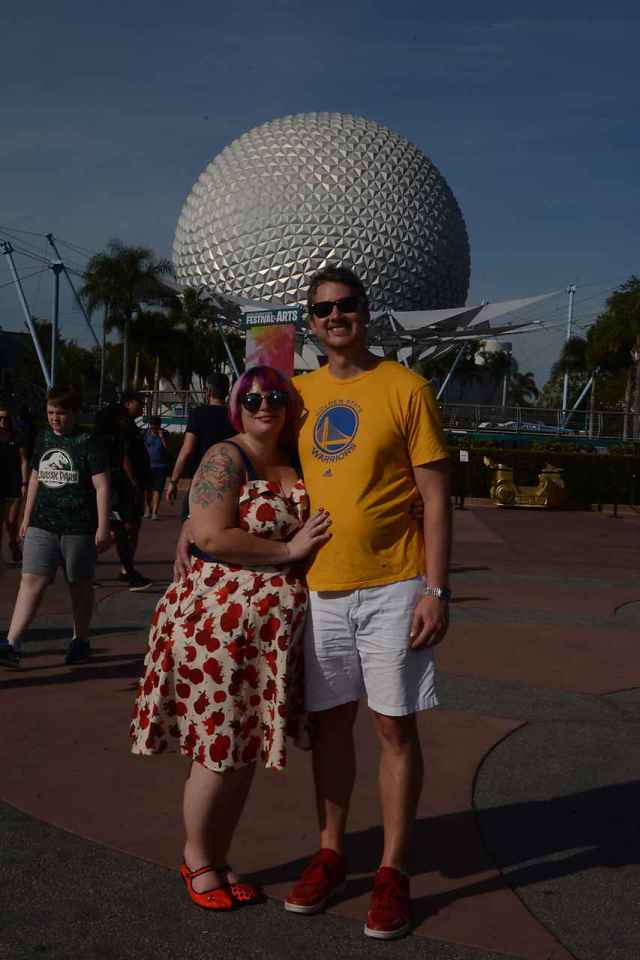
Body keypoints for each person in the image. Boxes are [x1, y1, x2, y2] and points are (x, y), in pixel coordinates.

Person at [280, 265, 452, 940]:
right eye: (323, 309)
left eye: (346, 305)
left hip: (395, 584)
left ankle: (392, 870)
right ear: (310, 322)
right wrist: (195, 529)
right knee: (330, 727)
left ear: (366, 311)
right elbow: (253, 464)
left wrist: (436, 589)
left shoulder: (406, 388)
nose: (336, 317)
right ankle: (330, 853)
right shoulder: (297, 395)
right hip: (320, 587)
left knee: (392, 727)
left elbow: (435, 498)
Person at [130, 365, 331, 911]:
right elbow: (212, 534)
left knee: (242, 753)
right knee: (216, 750)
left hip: (268, 636)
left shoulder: (295, 459)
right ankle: (197, 859)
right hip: (218, 627)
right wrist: (288, 552)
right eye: (254, 398)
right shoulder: (226, 456)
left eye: (276, 397)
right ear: (237, 406)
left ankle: (217, 857)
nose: (265, 406)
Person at [0, 386, 111, 669]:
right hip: (42, 523)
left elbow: (101, 486)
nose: (54, 418)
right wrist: (26, 516)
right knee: (31, 580)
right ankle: (12, 643)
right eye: (50, 412)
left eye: (60, 413)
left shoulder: (88, 441)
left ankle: (80, 640)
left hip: (78, 527)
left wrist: (103, 526)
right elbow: (36, 476)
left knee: (79, 585)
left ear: (75, 413)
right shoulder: (44, 437)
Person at [94, 405, 152, 592]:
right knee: (117, 531)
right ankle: (127, 573)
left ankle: (129, 573)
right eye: (121, 418)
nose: (125, 421)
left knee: (119, 532)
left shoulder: (103, 438)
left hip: (110, 488)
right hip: (112, 489)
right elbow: (124, 461)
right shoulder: (113, 439)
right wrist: (134, 484)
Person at [165, 372, 234, 505]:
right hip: (229, 480)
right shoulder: (234, 416)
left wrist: (173, 481)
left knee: (189, 515)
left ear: (208, 391)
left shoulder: (198, 413)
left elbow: (187, 451)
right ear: (227, 391)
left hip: (203, 481)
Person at [119, 391, 152, 584]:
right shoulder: (123, 426)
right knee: (125, 528)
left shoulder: (130, 425)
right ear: (128, 403)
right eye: (140, 402)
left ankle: (127, 568)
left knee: (130, 528)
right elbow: (125, 456)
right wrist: (133, 482)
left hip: (132, 484)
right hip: (127, 486)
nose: (142, 406)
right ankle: (84, 565)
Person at [0, 404, 29, 565]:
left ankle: (13, 543)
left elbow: (24, 461)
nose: (2, 421)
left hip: (14, 484)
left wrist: (24, 483)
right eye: (0, 418)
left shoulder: (17, 437)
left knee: (10, 523)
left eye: (5, 418)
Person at [143, 416, 171, 519]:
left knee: (157, 490)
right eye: (152, 425)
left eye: (155, 426)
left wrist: (162, 438)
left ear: (159, 425)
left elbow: (168, 450)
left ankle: (155, 512)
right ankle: (148, 509)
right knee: (147, 490)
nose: (153, 428)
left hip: (160, 466)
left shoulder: (165, 434)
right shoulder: (145, 434)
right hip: (147, 466)